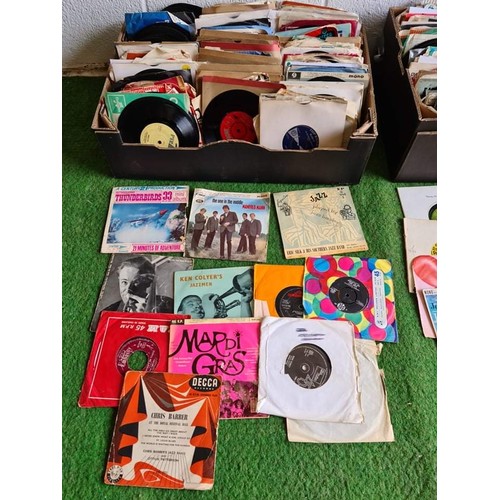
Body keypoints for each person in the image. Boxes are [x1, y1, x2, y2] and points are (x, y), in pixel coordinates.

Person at [104, 256, 173, 313]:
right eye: (124, 282)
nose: (128, 290)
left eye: (136, 282)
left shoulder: (167, 305)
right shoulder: (109, 311)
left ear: (148, 282)